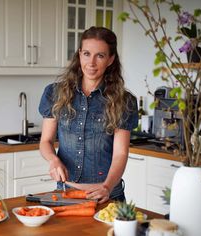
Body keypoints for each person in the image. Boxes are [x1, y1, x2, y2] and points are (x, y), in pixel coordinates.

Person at [39, 26, 138, 204]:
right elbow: (45, 142)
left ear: (110, 60)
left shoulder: (124, 101)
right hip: (65, 194)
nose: (91, 62)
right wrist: (53, 160)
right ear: (79, 54)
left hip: (107, 196)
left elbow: (120, 154)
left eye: (100, 55)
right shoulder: (55, 93)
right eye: (86, 54)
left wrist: (107, 187)